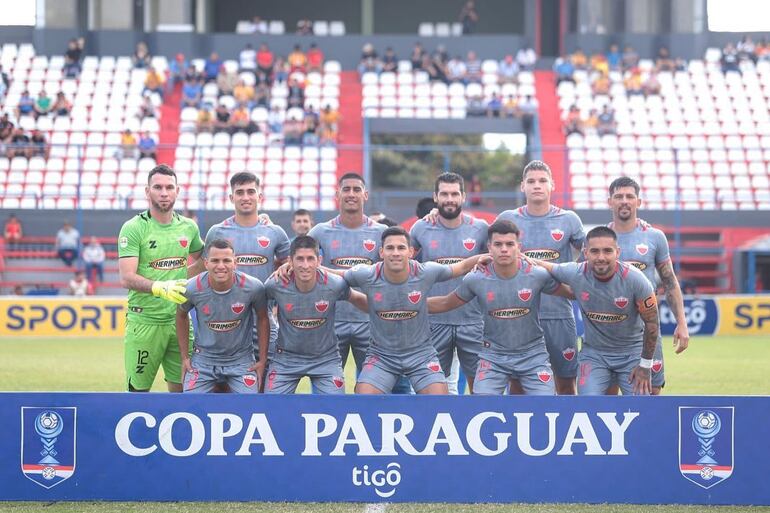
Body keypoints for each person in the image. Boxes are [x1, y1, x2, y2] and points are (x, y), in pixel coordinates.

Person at [429, 220, 574, 395]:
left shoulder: (537, 274)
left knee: (544, 407)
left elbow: (572, 293)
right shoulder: (476, 278)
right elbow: (446, 303)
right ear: (489, 247)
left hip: (533, 355)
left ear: (518, 247)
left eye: (509, 244)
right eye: (498, 244)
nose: (504, 249)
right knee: (482, 406)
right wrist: (407, 305)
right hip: (493, 357)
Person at [341, 226, 489, 394]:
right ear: (381, 252)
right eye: (390, 248)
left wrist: (490, 257)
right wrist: (314, 270)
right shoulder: (366, 274)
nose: (395, 252)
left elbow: (460, 267)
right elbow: (339, 276)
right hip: (381, 356)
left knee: (439, 400)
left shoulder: (425, 271)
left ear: (410, 251)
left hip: (421, 355)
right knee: (364, 396)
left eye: (401, 247)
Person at [529, 226, 659, 396]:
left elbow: (652, 323)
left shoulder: (636, 280)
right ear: (585, 252)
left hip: (631, 354)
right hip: (594, 354)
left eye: (607, 251)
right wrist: (500, 259)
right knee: (587, 406)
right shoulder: (576, 272)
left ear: (617, 252)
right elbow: (541, 265)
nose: (601, 257)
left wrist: (645, 365)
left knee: (641, 408)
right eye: (595, 251)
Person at [495, 160, 585, 395]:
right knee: (517, 385)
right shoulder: (508, 218)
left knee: (566, 383)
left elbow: (593, 252)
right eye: (531, 181)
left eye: (542, 181)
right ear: (522, 186)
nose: (537, 185)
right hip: (518, 315)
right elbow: (488, 251)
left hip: (558, 314)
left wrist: (573, 279)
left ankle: (565, 429)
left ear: (552, 185)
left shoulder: (569, 220)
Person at [118, 164, 204, 392]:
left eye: (169, 187)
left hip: (180, 321)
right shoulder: (133, 228)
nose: (164, 193)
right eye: (158, 187)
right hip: (145, 322)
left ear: (178, 191)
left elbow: (206, 260)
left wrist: (179, 278)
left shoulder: (189, 227)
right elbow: (126, 277)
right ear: (147, 191)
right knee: (138, 392)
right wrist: (159, 286)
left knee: (182, 392)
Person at [194, 172, 291, 372]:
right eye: (239, 192)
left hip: (263, 319)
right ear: (231, 198)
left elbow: (289, 265)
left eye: (250, 192)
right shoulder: (217, 231)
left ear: (259, 196)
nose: (245, 197)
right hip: (226, 319)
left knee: (266, 376)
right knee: (226, 383)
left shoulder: (275, 233)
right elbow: (204, 270)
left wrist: (285, 266)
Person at [605, 176, 689, 394]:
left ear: (638, 202)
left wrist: (682, 322)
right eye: (619, 196)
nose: (624, 201)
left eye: (629, 196)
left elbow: (670, 282)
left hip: (646, 328)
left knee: (651, 392)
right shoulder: (599, 239)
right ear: (610, 202)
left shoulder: (654, 237)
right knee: (606, 399)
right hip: (607, 333)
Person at [411, 173, 489, 393]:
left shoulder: (481, 228)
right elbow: (407, 270)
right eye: (444, 194)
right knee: (432, 391)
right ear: (435, 197)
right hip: (433, 322)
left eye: (455, 194)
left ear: (463, 196)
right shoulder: (420, 229)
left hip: (473, 321)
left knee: (481, 390)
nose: (449, 199)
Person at [307, 173, 388, 378]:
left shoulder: (382, 232)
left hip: (371, 321)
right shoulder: (319, 232)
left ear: (366, 195)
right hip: (331, 322)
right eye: (346, 189)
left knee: (373, 387)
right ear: (337, 194)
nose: (351, 194)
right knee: (327, 387)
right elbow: (299, 262)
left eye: (357, 189)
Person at [264, 236, 367, 394]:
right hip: (286, 360)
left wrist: (383, 312)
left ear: (319, 260)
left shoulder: (335, 284)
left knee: (334, 409)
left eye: (310, 259)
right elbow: (261, 313)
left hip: (326, 359)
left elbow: (357, 298)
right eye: (300, 259)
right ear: (290, 261)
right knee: (271, 407)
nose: (305, 265)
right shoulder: (275, 284)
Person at [177, 239, 269, 394]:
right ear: (206, 263)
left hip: (241, 361)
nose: (221, 266)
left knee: (250, 406)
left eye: (226, 260)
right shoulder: (191, 288)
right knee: (190, 405)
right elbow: (180, 316)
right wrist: (185, 358)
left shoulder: (253, 287)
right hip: (203, 360)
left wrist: (262, 360)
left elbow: (263, 319)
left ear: (235, 262)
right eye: (215, 261)